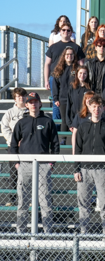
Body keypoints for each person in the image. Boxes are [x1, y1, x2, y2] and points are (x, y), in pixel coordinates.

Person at [10, 92, 58, 234]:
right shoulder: (21, 122)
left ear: (40, 103)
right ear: (26, 104)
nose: (33, 104)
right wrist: (17, 163)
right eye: (30, 102)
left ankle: (48, 233)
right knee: (23, 201)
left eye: (36, 101)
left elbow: (55, 144)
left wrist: (51, 163)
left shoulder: (48, 121)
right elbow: (13, 145)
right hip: (24, 164)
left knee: (45, 201)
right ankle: (21, 232)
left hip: (43, 165)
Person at [74, 95, 105, 234]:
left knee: (104, 203)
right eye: (94, 106)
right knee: (84, 203)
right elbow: (78, 149)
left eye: (99, 107)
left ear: (103, 108)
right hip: (84, 169)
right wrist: (76, 169)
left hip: (102, 170)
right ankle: (84, 233)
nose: (96, 109)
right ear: (89, 107)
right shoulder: (82, 126)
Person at [45, 22, 85, 121]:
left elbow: (82, 66)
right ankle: (57, 129)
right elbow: (47, 64)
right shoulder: (53, 47)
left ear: (71, 32)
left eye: (68, 30)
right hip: (55, 78)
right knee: (56, 105)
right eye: (63, 30)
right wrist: (46, 80)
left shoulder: (76, 47)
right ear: (60, 32)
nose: (66, 32)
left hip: (72, 78)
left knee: (72, 106)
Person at [51, 47, 79, 134]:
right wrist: (56, 98)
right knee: (64, 120)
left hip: (75, 98)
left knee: (74, 119)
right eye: (67, 54)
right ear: (64, 56)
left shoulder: (77, 68)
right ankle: (63, 139)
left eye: (71, 54)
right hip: (63, 99)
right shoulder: (59, 69)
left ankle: (74, 140)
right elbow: (55, 85)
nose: (69, 56)